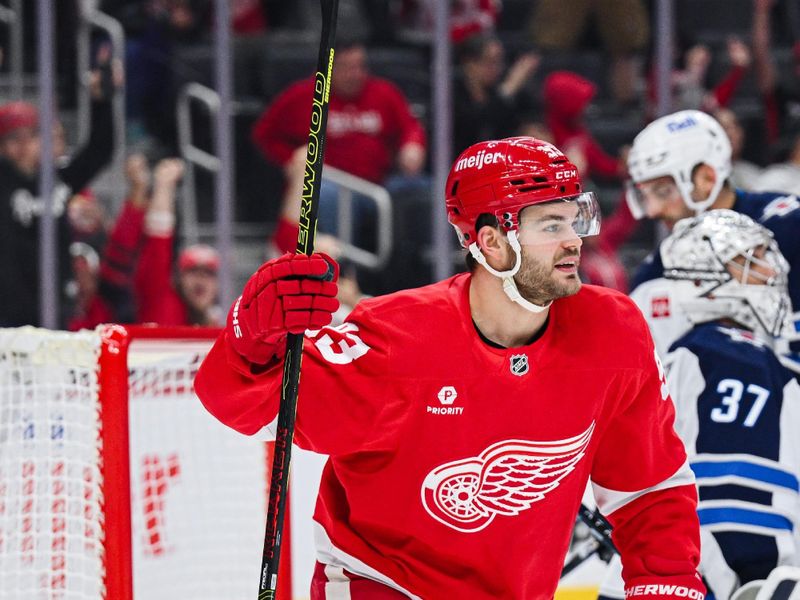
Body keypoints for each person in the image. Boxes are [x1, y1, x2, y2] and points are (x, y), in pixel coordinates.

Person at [194, 137, 705, 599]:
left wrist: (665, 582)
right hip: (383, 584)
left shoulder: (612, 331)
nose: (574, 238)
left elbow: (648, 486)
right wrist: (252, 331)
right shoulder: (397, 340)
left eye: (576, 218)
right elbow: (249, 405)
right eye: (551, 224)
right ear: (490, 242)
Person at [599, 210, 800, 600]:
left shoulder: (688, 355)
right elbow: (735, 503)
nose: (772, 272)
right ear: (704, 280)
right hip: (732, 566)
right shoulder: (733, 358)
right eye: (751, 261)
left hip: (666, 562)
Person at [624, 109, 800, 359]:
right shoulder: (657, 271)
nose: (652, 211)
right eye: (645, 195)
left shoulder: (789, 226)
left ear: (707, 178)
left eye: (663, 191)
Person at [251, 37, 427, 244]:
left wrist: (412, 145)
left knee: (423, 189)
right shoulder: (303, 96)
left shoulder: (384, 92)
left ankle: (419, 263)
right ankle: (340, 266)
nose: (355, 75)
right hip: (332, 183)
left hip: (380, 184)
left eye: (360, 67)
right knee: (326, 194)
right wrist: (293, 161)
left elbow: (410, 127)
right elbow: (264, 134)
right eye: (346, 68)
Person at [0, 53, 118, 327]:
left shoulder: (59, 181)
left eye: (30, 136)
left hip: (55, 310)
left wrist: (101, 101)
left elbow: (100, 150)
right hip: (8, 317)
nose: (24, 145)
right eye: (12, 138)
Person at [135, 158, 222, 326]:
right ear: (179, 279)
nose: (200, 279)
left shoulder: (230, 323)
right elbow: (157, 244)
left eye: (209, 273)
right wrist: (164, 185)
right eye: (192, 271)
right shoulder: (161, 302)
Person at [453, 32, 539, 155]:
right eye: (491, 62)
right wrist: (509, 87)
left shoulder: (498, 94)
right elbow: (476, 125)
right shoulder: (452, 95)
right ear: (470, 63)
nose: (497, 69)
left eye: (499, 62)